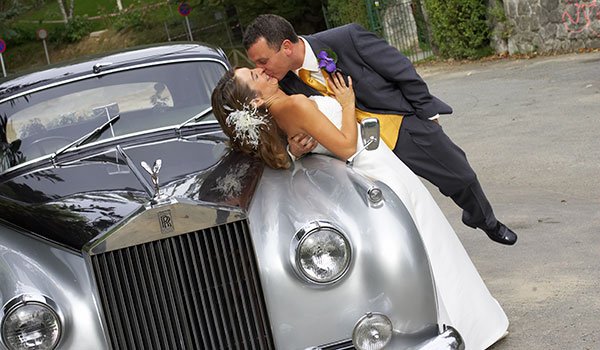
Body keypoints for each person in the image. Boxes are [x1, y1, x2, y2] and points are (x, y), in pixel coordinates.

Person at [210, 66, 509, 350]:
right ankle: (469, 326)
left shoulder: (278, 115)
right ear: (256, 98)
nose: (260, 70)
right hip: (373, 164)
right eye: (253, 75)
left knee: (429, 246)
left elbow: (295, 148)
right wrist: (346, 102)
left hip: (370, 165)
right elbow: (347, 146)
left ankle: (458, 324)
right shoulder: (295, 104)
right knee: (428, 243)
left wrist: (294, 150)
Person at [241, 14, 517, 246]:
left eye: (263, 61)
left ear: (286, 47)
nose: (260, 69)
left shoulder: (346, 38)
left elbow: (401, 70)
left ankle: (484, 220)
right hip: (355, 156)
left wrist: (427, 115)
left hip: (399, 125)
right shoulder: (280, 88)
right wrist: (295, 148)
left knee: (461, 177)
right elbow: (287, 135)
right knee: (399, 217)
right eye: (256, 65)